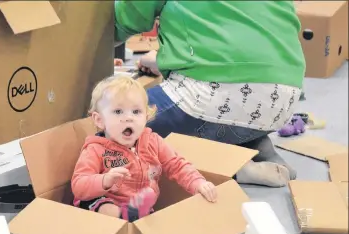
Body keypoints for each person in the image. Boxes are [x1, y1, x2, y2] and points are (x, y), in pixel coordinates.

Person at [114, 1, 306, 187]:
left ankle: (226, 167)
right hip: (282, 98)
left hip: (214, 94)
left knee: (111, 125)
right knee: (223, 116)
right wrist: (165, 59)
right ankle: (253, 143)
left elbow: (124, 20)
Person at [71, 75, 217, 222]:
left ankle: (133, 215)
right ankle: (123, 215)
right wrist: (105, 180)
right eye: (118, 112)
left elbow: (177, 165)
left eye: (136, 112)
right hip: (102, 202)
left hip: (141, 208)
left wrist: (198, 183)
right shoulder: (95, 149)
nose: (129, 118)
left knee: (156, 220)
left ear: (146, 117)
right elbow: (79, 185)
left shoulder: (153, 142)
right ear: (99, 120)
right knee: (105, 207)